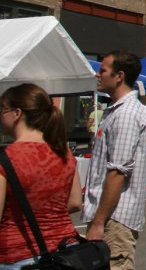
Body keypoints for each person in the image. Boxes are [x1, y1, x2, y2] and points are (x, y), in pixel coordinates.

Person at [0, 83, 84, 268]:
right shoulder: (64, 153)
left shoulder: (7, 158)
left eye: (2, 108)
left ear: (17, 113)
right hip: (65, 250)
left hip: (17, 253)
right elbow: (75, 202)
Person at [83, 51, 146, 270]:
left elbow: (117, 172)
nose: (98, 74)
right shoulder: (117, 110)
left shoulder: (126, 114)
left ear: (119, 76)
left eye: (103, 70)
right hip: (110, 217)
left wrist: (99, 221)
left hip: (115, 218)